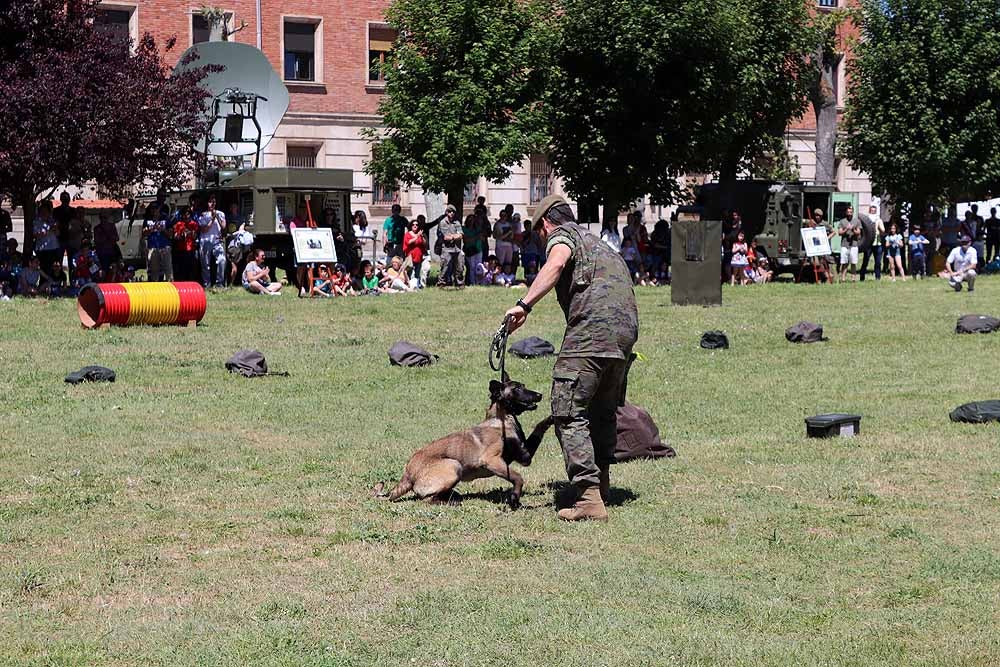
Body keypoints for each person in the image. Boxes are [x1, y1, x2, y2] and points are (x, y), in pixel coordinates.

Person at [503, 195, 639, 522]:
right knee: (602, 411)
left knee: (567, 410)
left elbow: (556, 263)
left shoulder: (562, 236)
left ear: (545, 224)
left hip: (592, 330)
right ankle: (601, 485)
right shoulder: (601, 244)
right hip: (624, 333)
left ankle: (588, 499)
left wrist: (524, 305)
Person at [436, 205, 465, 287]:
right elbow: (446, 237)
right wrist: (455, 236)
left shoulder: (457, 222)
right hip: (446, 249)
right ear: (446, 212)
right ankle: (441, 283)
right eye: (449, 211)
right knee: (445, 267)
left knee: (460, 266)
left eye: (453, 212)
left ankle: (459, 283)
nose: (451, 213)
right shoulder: (442, 223)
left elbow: (461, 235)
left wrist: (452, 236)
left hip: (457, 249)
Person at [143, 204, 173, 282]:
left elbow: (170, 234)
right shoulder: (147, 220)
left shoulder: (165, 219)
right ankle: (155, 287)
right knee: (154, 270)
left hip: (164, 247)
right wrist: (150, 230)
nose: (154, 211)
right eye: (152, 209)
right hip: (152, 247)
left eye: (156, 208)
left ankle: (170, 286)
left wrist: (162, 229)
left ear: (159, 209)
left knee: (167, 268)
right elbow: (143, 234)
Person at [33, 200, 62, 271]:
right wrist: (50, 230)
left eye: (46, 211)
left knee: (54, 270)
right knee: (45, 270)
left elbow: (58, 233)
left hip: (54, 248)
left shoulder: (52, 220)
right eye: (42, 211)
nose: (44, 213)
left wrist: (56, 228)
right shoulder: (37, 222)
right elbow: (37, 235)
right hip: (43, 250)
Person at [858, 204, 885, 281]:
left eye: (874, 211)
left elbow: (883, 231)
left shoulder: (879, 220)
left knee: (878, 262)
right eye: (871, 211)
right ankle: (862, 277)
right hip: (868, 244)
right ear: (869, 211)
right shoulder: (866, 220)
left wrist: (877, 226)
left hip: (877, 243)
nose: (873, 212)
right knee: (865, 261)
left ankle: (877, 278)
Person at [837, 206, 862, 282]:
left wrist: (853, 229)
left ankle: (853, 279)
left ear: (853, 212)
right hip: (844, 245)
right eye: (848, 212)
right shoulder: (842, 221)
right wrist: (846, 229)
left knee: (853, 262)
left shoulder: (857, 221)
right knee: (844, 262)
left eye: (850, 212)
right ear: (846, 212)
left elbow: (858, 232)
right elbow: (839, 233)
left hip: (854, 244)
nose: (849, 213)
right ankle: (843, 278)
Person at [402, 219, 428, 288]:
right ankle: (411, 285)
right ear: (411, 226)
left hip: (419, 257)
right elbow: (408, 242)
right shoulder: (408, 234)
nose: (415, 226)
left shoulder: (420, 234)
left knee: (417, 272)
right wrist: (416, 236)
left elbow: (424, 244)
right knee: (411, 272)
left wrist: (422, 236)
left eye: (416, 225)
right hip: (411, 257)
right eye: (413, 225)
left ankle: (417, 285)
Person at [462, 213, 484, 285]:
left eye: (473, 219)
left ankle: (478, 282)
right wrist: (476, 237)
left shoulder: (478, 229)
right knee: (471, 267)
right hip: (469, 250)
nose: (471, 221)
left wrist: (473, 238)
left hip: (478, 249)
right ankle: (472, 282)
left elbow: (482, 238)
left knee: (478, 266)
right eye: (470, 219)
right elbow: (466, 240)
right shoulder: (464, 229)